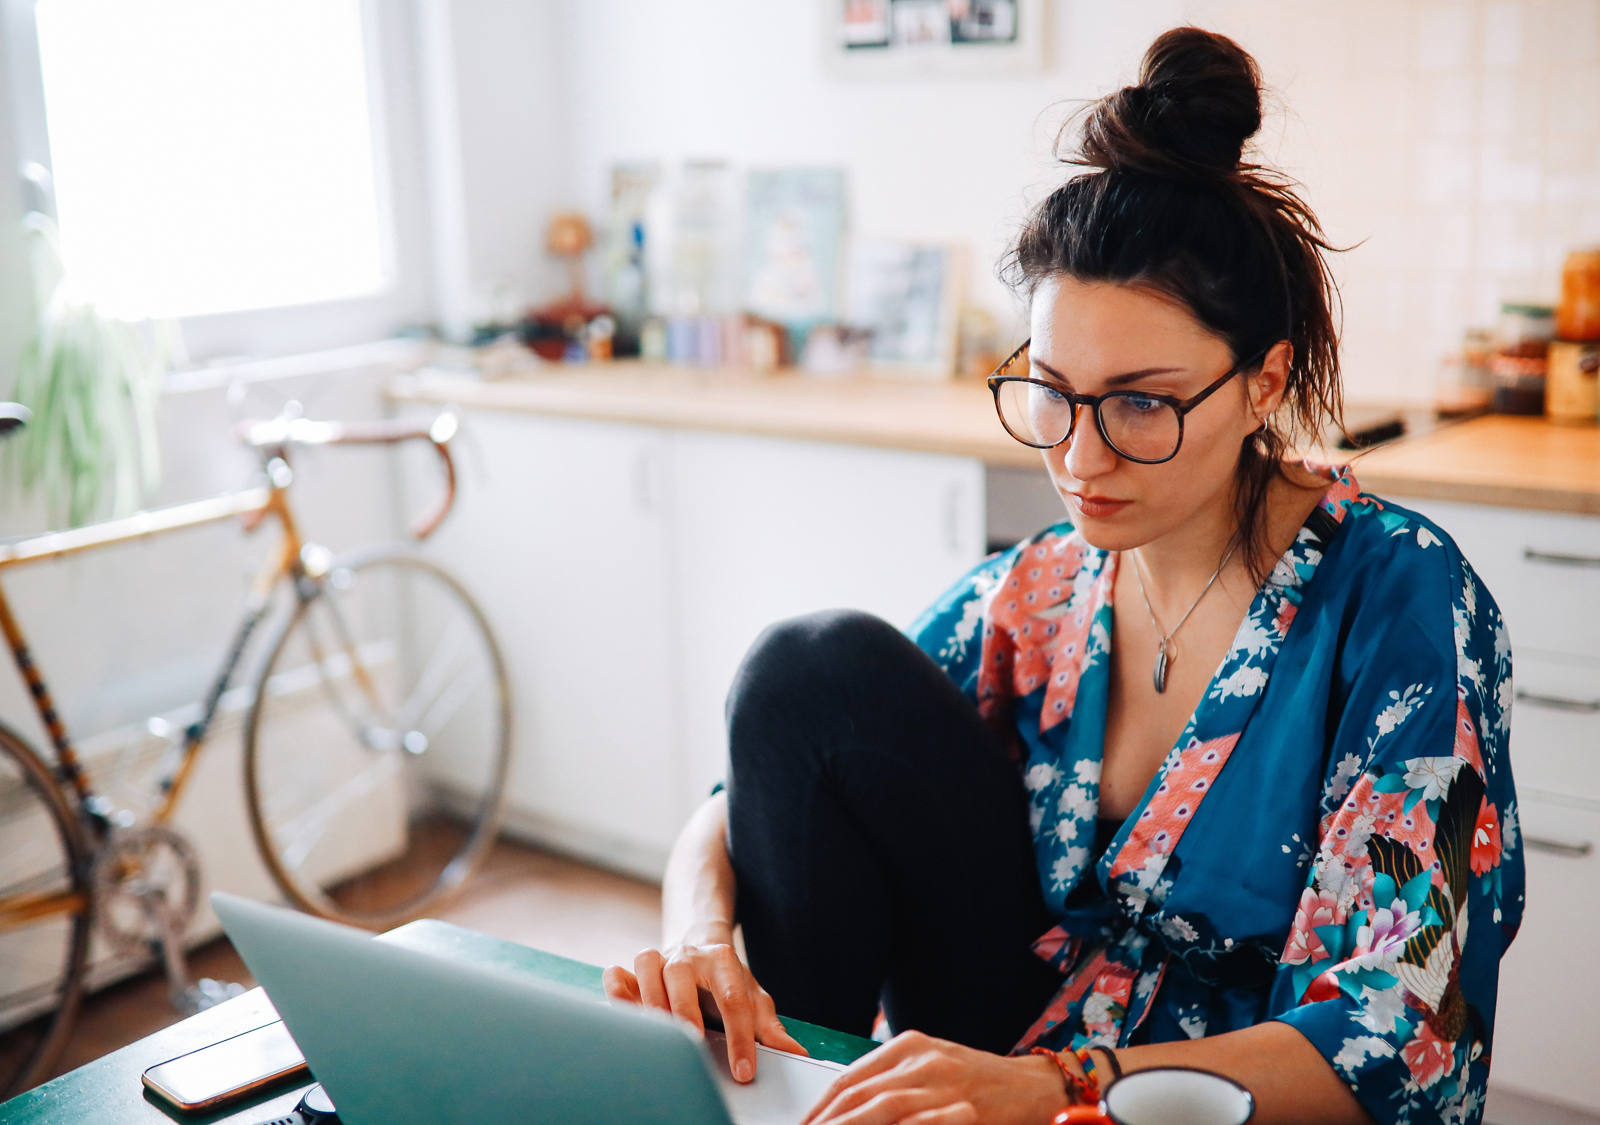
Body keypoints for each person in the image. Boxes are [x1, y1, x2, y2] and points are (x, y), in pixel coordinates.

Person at [603, 27, 1522, 1125]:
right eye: (1051, 390)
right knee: (808, 669)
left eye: (1141, 403)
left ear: (1264, 380)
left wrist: (1050, 1086)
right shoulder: (1044, 587)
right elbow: (750, 794)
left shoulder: (1396, 600)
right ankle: (798, 1104)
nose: (1079, 459)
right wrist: (698, 935)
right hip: (1026, 1037)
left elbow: (1404, 1026)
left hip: (1222, 1097)